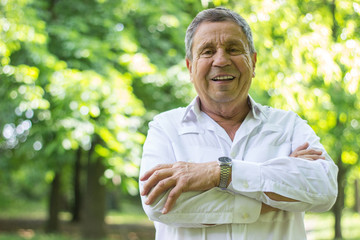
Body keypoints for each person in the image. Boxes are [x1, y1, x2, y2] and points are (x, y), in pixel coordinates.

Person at [139, 7, 338, 240]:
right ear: (190, 67)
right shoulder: (166, 128)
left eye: (234, 49)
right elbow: (158, 204)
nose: (221, 60)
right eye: (207, 51)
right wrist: (274, 195)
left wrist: (221, 172)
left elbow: (323, 188)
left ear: (253, 62)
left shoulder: (289, 126)